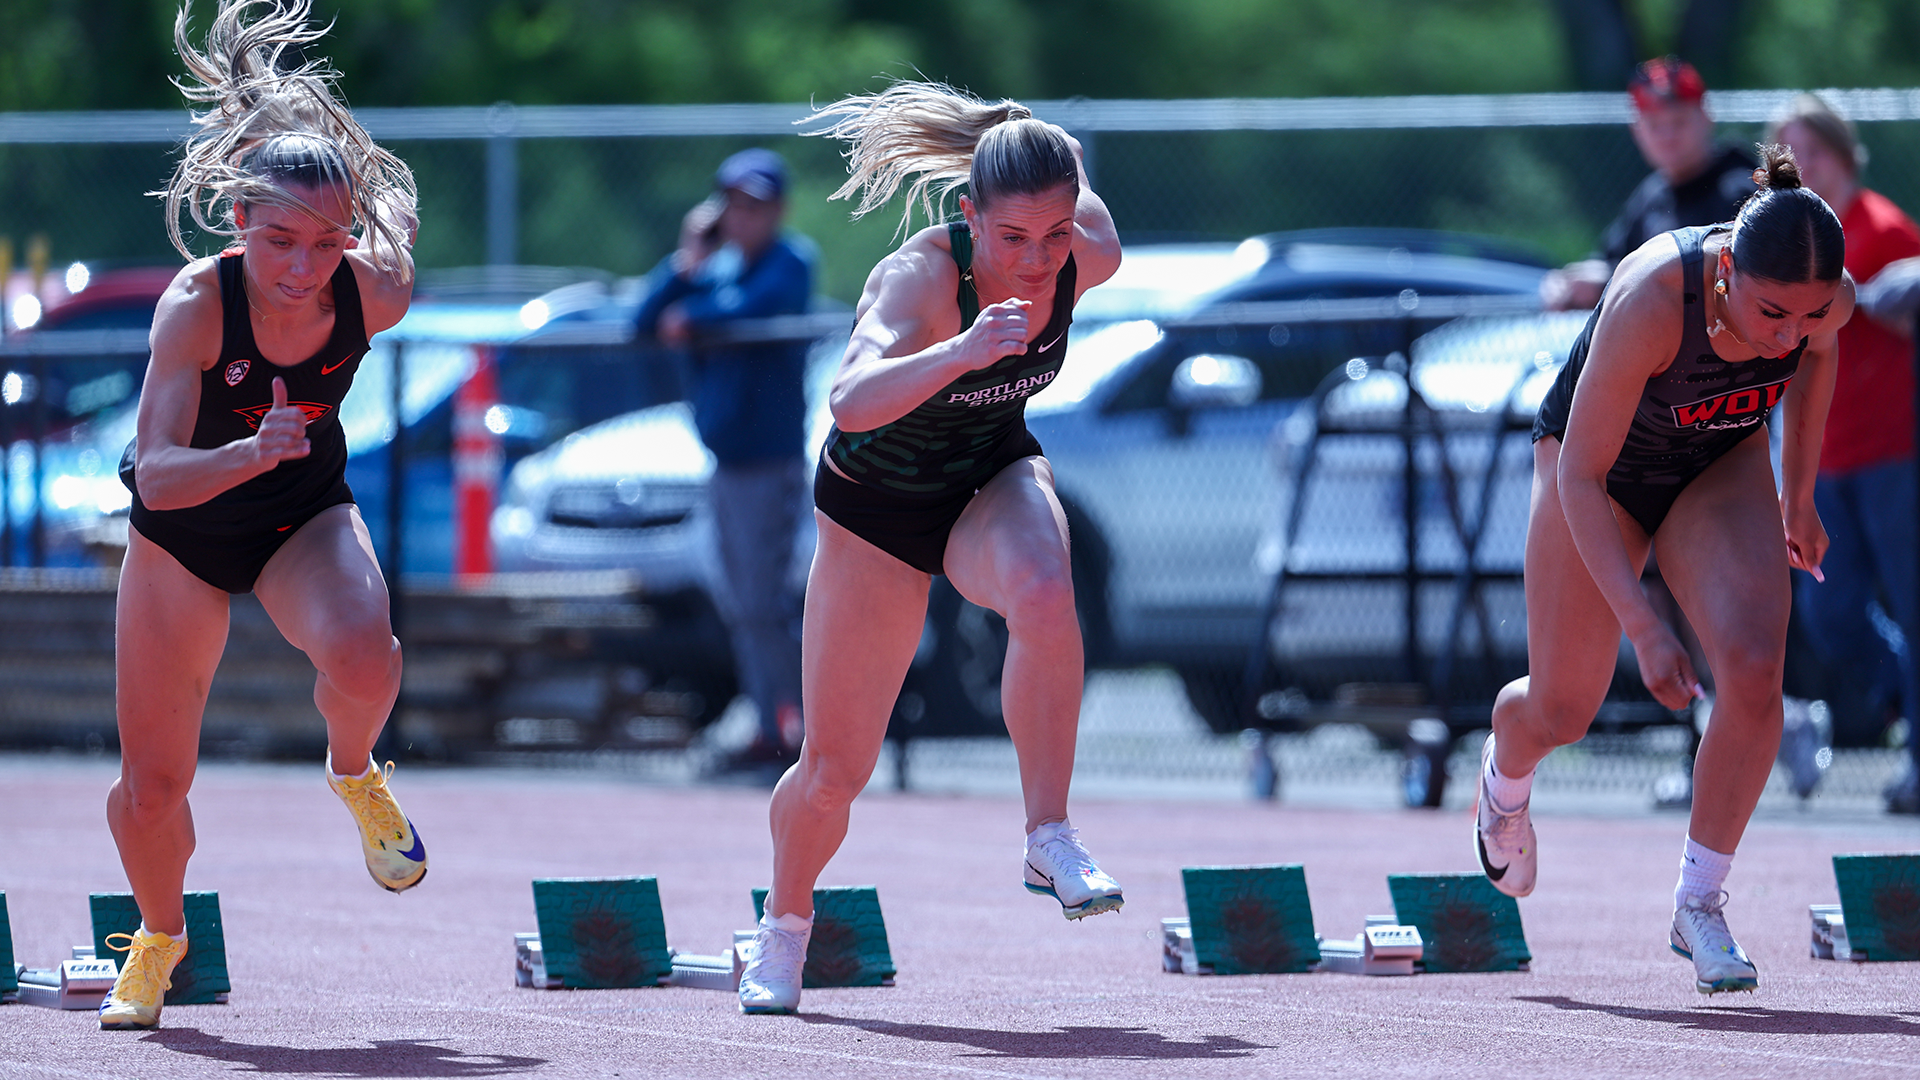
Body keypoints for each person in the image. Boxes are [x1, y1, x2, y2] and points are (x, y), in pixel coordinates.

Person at [733, 82, 1124, 1015]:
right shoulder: (922, 279)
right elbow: (850, 401)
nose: (1036, 264)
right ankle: (785, 929)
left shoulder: (1084, 256)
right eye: (1013, 239)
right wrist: (959, 353)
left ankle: (1049, 833)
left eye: (1055, 235)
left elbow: (1064, 178)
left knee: (1043, 583)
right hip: (877, 511)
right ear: (968, 216)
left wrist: (1018, 123)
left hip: (985, 478)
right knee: (833, 773)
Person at [101, 0, 423, 1030]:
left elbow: (393, 235)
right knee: (152, 789)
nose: (298, 269)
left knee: (370, 660)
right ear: (238, 224)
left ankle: (353, 771)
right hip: (184, 536)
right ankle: (159, 937)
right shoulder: (197, 305)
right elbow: (154, 476)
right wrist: (246, 448)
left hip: (299, 518)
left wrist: (276, 463)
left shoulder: (376, 294)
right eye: (278, 239)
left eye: (324, 246)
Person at [1475, 145, 1849, 995]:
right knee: (1566, 705)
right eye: (1772, 313)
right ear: (1726, 274)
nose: (1790, 334)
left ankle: (1700, 901)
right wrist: (1642, 627)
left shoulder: (1822, 305)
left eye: (1810, 313)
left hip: (1717, 461)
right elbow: (1577, 472)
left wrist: (1799, 497)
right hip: (1599, 474)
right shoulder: (1655, 296)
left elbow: (1823, 355)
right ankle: (1505, 775)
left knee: (1755, 671)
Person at [635, 149, 814, 771]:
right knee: (742, 602)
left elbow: (754, 311)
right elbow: (643, 319)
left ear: (778, 211)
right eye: (733, 204)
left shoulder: (790, 262)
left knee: (765, 601)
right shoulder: (714, 268)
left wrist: (696, 313)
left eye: (756, 205)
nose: (743, 217)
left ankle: (797, 729)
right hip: (728, 464)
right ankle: (771, 724)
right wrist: (688, 259)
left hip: (770, 463)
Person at [1770, 96, 1920, 815]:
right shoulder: (1788, 237)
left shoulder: (1880, 227)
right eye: (1793, 155)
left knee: (1915, 601)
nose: (1809, 168)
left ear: (1844, 154)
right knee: (1830, 614)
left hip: (1895, 450)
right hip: (1824, 454)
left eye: (1817, 153)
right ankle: (1902, 691)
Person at [1542, 57, 1759, 313]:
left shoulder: (1741, 189)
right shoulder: (1653, 193)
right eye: (1654, 125)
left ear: (1706, 117)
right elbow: (1609, 258)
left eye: (1678, 122)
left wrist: (1608, 283)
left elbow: (1712, 279)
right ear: (1637, 131)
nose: (1667, 136)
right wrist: (1568, 282)